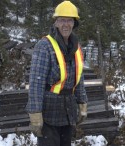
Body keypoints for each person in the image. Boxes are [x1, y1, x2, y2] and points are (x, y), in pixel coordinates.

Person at [26, 1, 88, 146]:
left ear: (74, 23)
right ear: (56, 22)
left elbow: (79, 79)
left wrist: (82, 103)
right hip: (49, 113)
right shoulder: (44, 46)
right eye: (62, 20)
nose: (65, 24)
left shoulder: (77, 47)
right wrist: (35, 114)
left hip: (68, 111)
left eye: (69, 20)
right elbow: (36, 82)